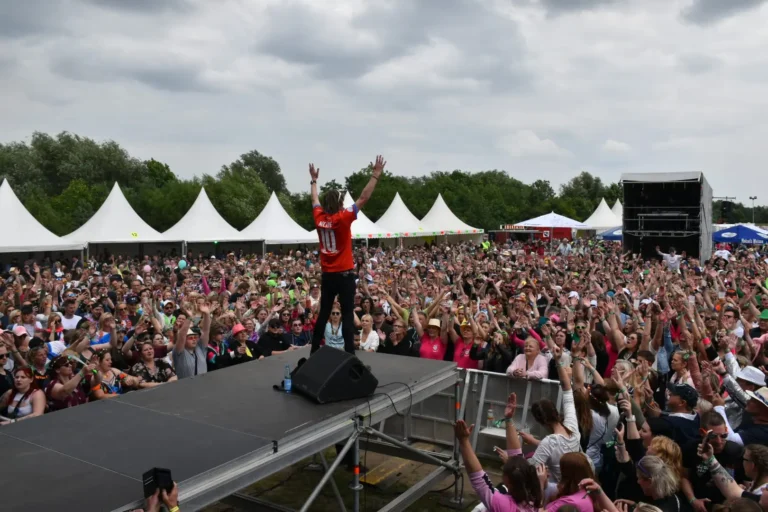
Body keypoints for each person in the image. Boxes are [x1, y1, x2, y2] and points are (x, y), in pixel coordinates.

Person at [309, 155, 385, 355]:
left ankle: (314, 351)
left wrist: (314, 181)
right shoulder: (343, 218)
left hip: (327, 275)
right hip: (344, 274)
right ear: (340, 202)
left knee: (324, 313)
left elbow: (314, 199)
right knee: (348, 313)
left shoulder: (318, 218)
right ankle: (350, 354)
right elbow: (364, 197)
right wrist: (375, 175)